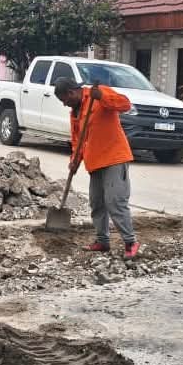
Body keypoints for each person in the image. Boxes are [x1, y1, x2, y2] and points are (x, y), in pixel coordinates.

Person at [54, 78, 139, 259]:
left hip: (114, 157)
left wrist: (102, 97)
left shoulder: (98, 93)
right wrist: (75, 160)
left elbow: (125, 104)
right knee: (97, 203)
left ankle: (130, 241)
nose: (64, 104)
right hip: (94, 161)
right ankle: (102, 241)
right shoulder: (74, 112)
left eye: (64, 100)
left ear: (71, 92)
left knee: (115, 201)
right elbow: (78, 139)